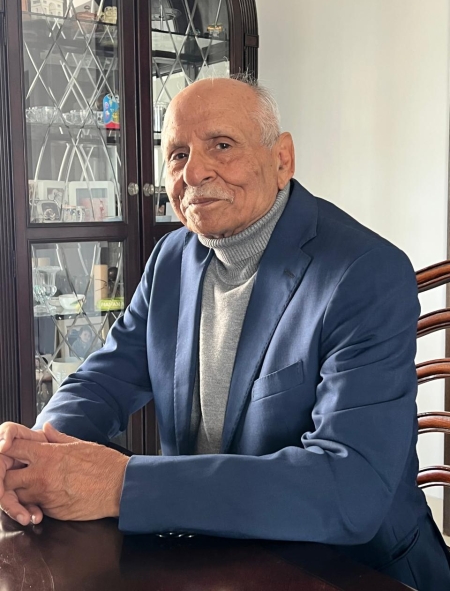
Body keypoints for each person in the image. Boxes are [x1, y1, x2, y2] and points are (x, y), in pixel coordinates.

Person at [0, 77, 449, 591]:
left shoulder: (365, 272)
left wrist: (122, 484)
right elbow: (102, 382)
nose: (193, 172)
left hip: (349, 570)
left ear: (282, 159)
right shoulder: (171, 258)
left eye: (221, 145)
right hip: (210, 560)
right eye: (177, 154)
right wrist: (38, 454)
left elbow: (349, 490)